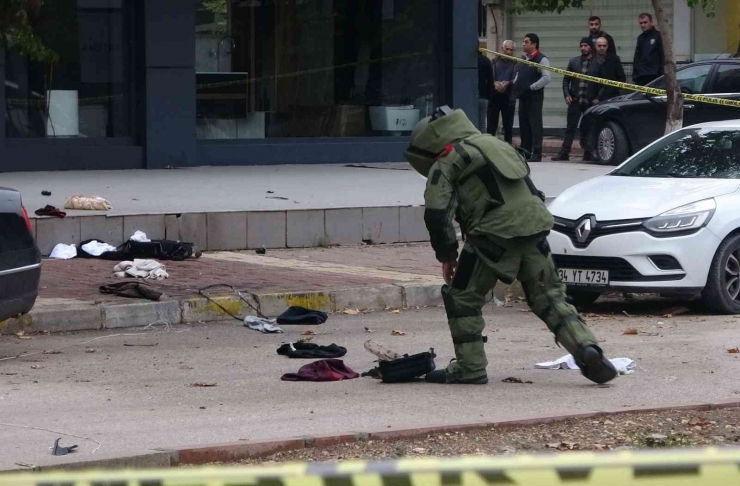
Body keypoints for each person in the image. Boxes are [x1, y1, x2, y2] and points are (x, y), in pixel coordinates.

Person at [403, 106, 618, 386]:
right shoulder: (495, 143)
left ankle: (470, 367)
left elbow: (436, 211)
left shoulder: (449, 158)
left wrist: (447, 255)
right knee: (550, 296)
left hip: (491, 236)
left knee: (462, 299)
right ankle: (587, 350)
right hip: (535, 229)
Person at [553, 38, 598, 162]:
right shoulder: (574, 62)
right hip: (575, 100)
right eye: (581, 45)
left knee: (588, 128)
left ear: (590, 47)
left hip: (590, 101)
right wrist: (566, 94)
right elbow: (566, 80)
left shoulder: (597, 63)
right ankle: (564, 153)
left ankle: (588, 153)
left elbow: (602, 83)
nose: (583, 48)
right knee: (570, 128)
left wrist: (598, 98)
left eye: (585, 45)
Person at [514, 33, 551, 162]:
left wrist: (532, 87)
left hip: (534, 98)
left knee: (535, 124)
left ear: (534, 44)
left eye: (526, 42)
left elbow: (546, 77)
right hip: (523, 97)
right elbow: (518, 75)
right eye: (523, 42)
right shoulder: (524, 59)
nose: (523, 44)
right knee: (524, 125)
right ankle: (526, 151)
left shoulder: (541, 59)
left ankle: (537, 152)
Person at [488, 40, 517, 144]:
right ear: (502, 49)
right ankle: (490, 146)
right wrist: (494, 83)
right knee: (491, 126)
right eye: (507, 49)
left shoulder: (515, 64)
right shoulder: (494, 62)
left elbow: (516, 79)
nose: (509, 52)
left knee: (508, 126)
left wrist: (508, 83)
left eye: (511, 50)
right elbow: (489, 77)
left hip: (508, 98)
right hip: (494, 96)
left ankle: (508, 147)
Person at [589, 37, 626, 105]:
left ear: (607, 46)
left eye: (604, 46)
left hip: (611, 97)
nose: (602, 48)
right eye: (599, 46)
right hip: (593, 99)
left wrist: (612, 90)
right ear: (595, 46)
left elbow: (622, 78)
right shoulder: (591, 60)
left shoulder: (614, 59)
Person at [632, 13, 665, 86]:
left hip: (654, 75)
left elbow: (662, 55)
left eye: (645, 22)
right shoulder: (640, 38)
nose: (643, 25)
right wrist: (635, 74)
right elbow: (637, 57)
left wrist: (661, 73)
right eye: (641, 23)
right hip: (641, 76)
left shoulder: (658, 36)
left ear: (651, 22)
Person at [478, 49, 494, 133]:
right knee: (482, 125)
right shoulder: (485, 60)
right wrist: (489, 97)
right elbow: (490, 80)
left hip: (468, 98)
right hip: (483, 96)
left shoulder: (465, 61)